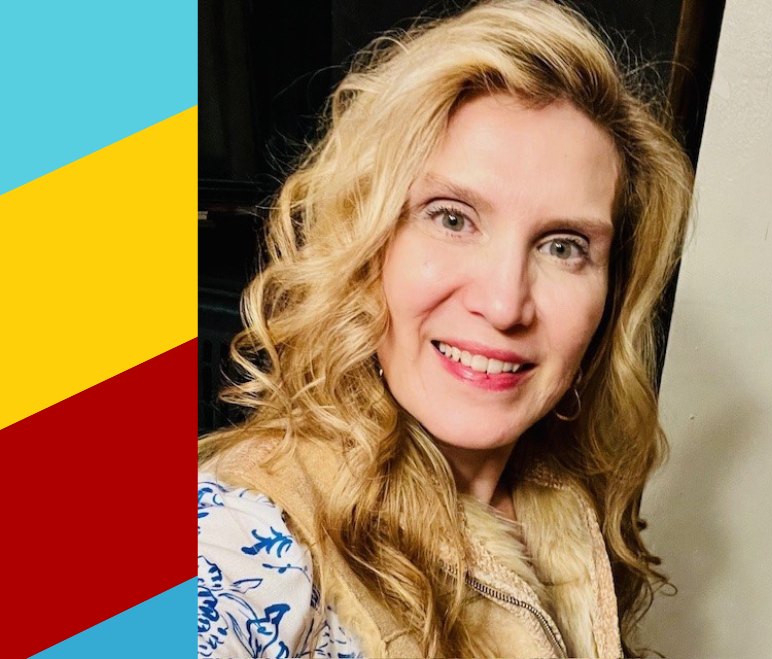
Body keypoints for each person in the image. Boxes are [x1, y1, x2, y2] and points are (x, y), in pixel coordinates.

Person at [197, 0, 692, 656]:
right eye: (452, 217)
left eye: (563, 246)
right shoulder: (249, 532)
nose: (505, 303)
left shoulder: (556, 497)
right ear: (369, 242)